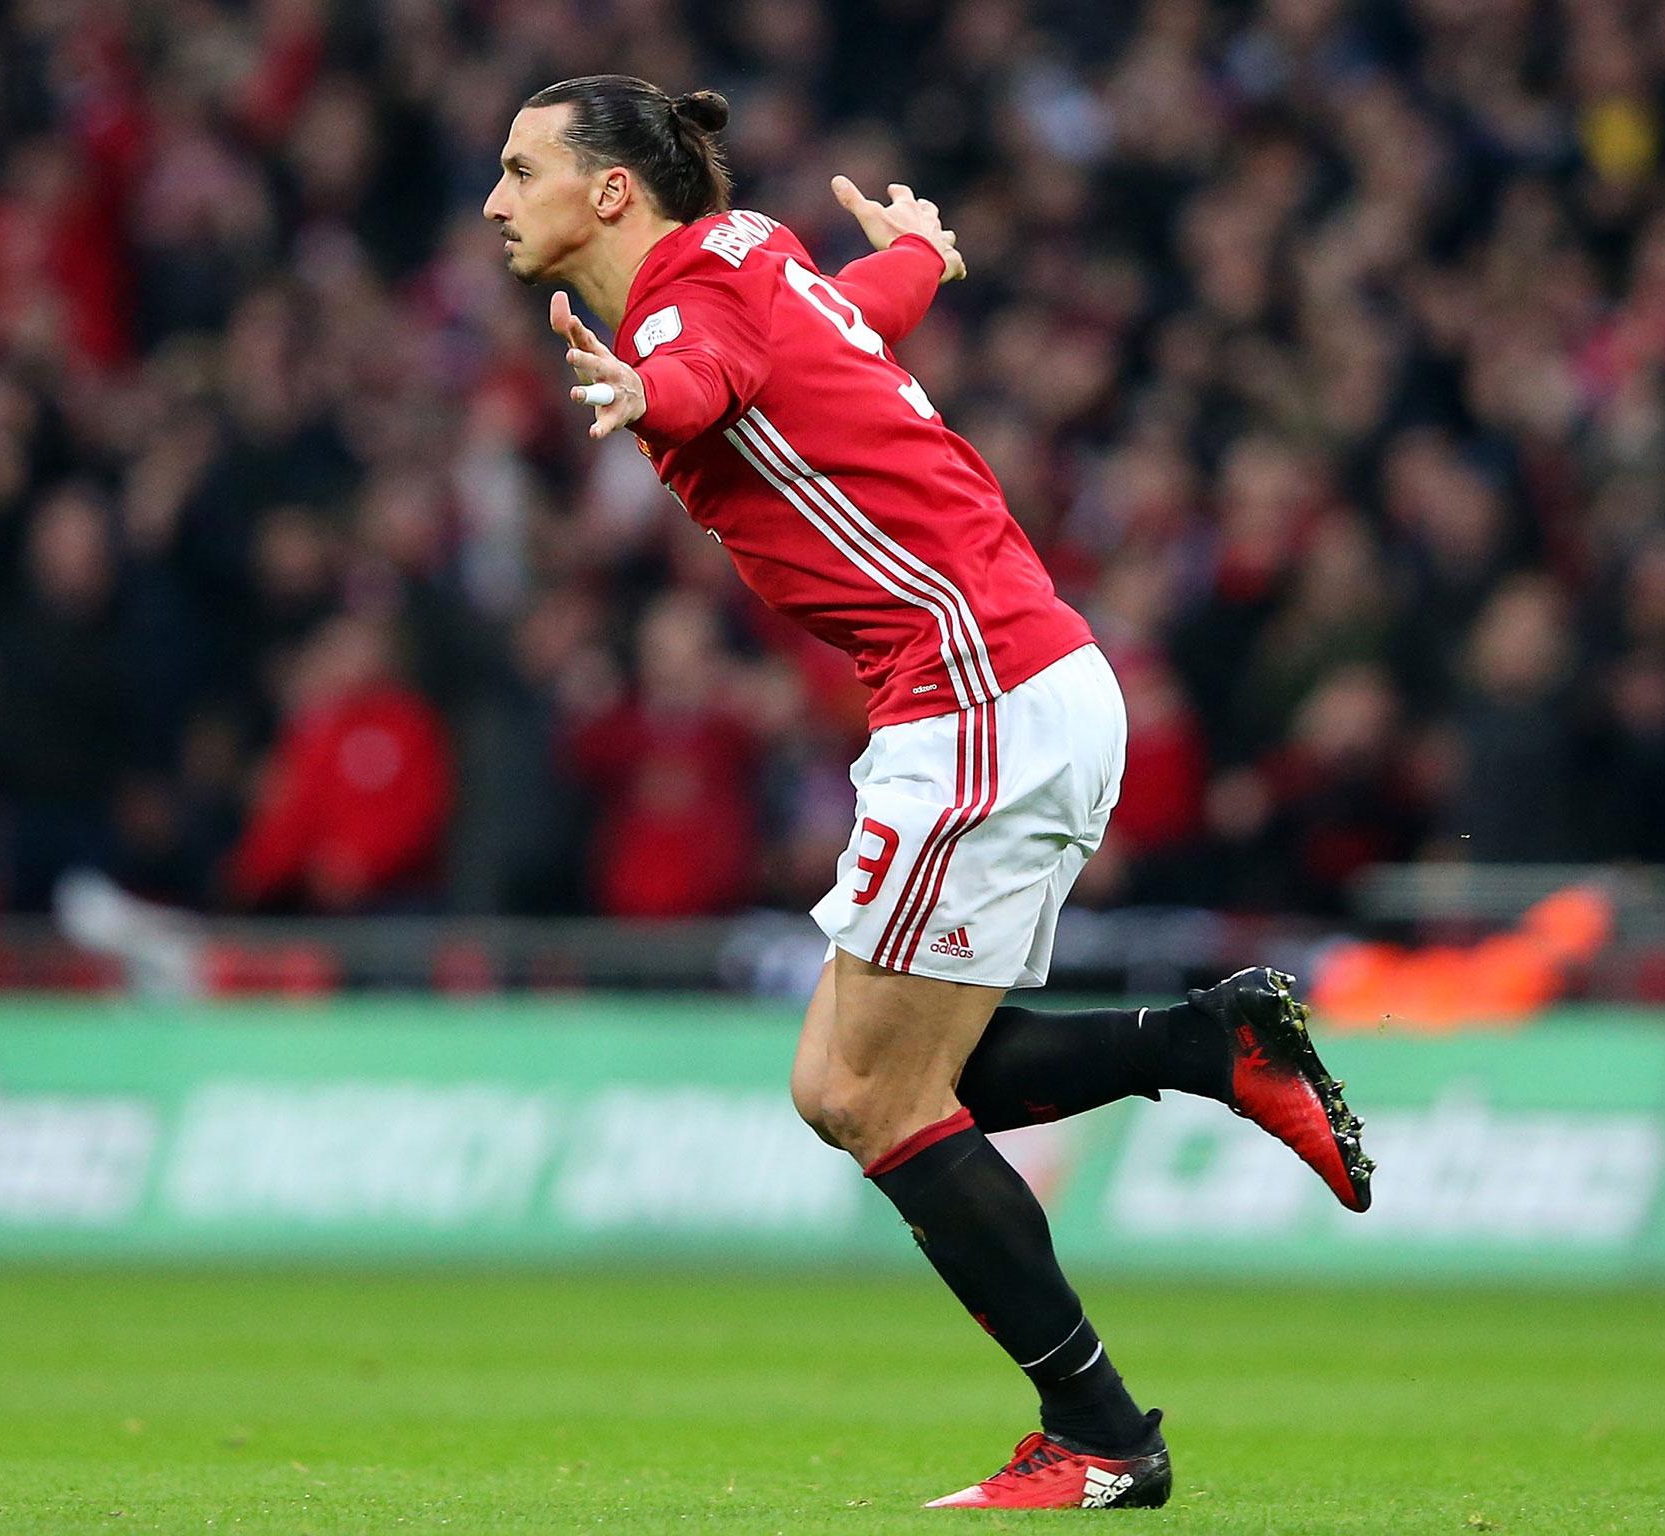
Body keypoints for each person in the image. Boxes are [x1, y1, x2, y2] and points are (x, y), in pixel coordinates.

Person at [484, 75, 1374, 1512]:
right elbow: (859, 313)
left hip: (978, 698)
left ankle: (1101, 1431)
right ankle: (1206, 1043)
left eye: (520, 170)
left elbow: (703, 377)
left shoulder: (671, 313)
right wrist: (921, 256)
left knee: (872, 1096)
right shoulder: (756, 251)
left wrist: (652, 395)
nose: (492, 201)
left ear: (607, 193)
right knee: (840, 1083)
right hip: (1023, 686)